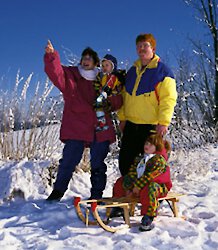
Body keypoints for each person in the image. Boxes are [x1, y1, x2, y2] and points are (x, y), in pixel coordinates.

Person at [44, 40, 123, 201]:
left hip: (100, 127)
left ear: (95, 63)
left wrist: (109, 101)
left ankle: (96, 196)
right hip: (76, 125)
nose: (86, 61)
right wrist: (52, 56)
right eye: (84, 58)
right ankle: (57, 192)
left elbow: (118, 101)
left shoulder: (104, 80)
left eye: (89, 58)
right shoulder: (71, 75)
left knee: (98, 164)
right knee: (68, 161)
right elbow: (56, 73)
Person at [118, 33, 177, 176]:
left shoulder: (163, 71)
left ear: (153, 49)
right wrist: (122, 118)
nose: (142, 48)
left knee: (149, 165)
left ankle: (148, 195)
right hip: (131, 126)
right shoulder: (132, 72)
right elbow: (124, 97)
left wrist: (163, 122)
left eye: (146, 45)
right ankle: (129, 193)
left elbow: (168, 99)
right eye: (139, 46)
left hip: (151, 127)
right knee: (125, 162)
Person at [110, 133, 172, 231]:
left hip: (158, 187)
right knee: (121, 181)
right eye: (146, 144)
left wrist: (137, 187)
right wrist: (128, 187)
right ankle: (119, 206)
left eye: (150, 145)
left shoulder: (158, 160)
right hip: (140, 186)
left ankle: (149, 215)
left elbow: (150, 176)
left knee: (150, 188)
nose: (147, 146)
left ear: (157, 147)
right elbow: (132, 173)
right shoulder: (140, 159)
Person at [94, 54, 124, 132]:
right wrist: (99, 90)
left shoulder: (117, 76)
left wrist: (111, 91)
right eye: (103, 66)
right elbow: (97, 86)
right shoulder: (102, 78)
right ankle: (102, 123)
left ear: (113, 66)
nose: (104, 68)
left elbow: (119, 87)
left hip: (119, 102)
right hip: (109, 103)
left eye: (107, 65)